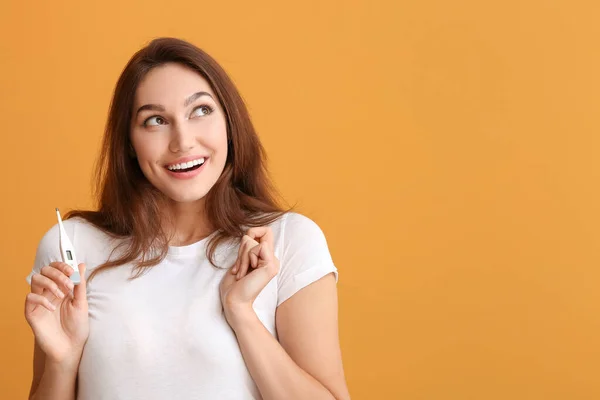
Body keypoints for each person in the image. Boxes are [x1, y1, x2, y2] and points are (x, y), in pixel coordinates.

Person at [23, 37, 350, 400]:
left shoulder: (287, 241)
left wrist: (241, 315)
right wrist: (62, 362)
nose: (182, 142)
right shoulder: (71, 247)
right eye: (156, 120)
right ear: (129, 142)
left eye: (201, 111)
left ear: (229, 120)